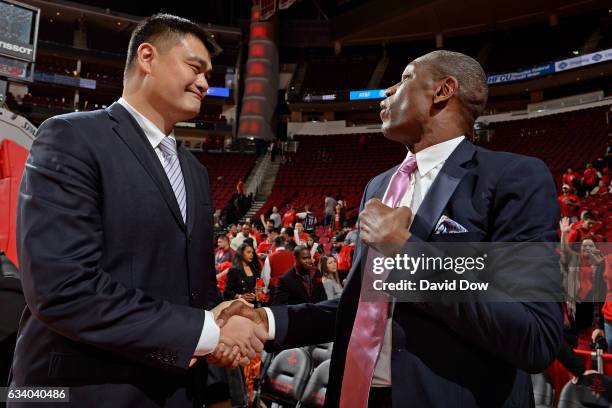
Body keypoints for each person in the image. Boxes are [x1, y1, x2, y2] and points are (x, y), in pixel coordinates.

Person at [218, 50, 563, 407]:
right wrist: (267, 321)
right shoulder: (379, 186)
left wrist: (406, 249)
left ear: (443, 90)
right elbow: (362, 309)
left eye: (405, 79)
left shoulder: (513, 178)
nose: (387, 91)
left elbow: (535, 335)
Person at [12, 14, 267, 407]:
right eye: (195, 67)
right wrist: (209, 334)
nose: (204, 82)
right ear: (147, 57)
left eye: (208, 74)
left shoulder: (195, 172)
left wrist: (217, 381)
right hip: (84, 391)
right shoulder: (71, 137)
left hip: (174, 391)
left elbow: (198, 292)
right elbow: (63, 289)